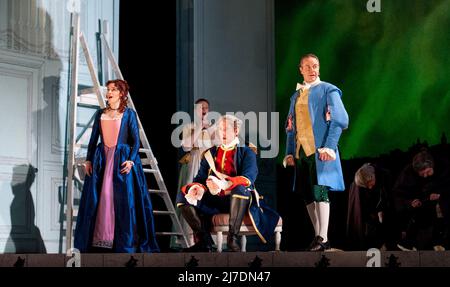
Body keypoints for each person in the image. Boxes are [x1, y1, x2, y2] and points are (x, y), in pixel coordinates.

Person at [74, 79, 159, 253]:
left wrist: (131, 160)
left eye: (113, 89)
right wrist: (89, 159)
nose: (109, 92)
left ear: (121, 93)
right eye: (109, 89)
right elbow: (93, 140)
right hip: (102, 160)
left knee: (121, 201)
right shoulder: (100, 113)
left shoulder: (128, 114)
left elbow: (136, 141)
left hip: (121, 159)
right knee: (102, 198)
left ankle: (123, 241)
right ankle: (102, 239)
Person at [176, 115, 280, 252]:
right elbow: (200, 179)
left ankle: (233, 238)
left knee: (240, 189)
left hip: (239, 201)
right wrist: (198, 188)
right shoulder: (210, 153)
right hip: (215, 200)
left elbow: (248, 178)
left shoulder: (247, 151)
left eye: (225, 129)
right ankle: (204, 241)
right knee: (184, 193)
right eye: (219, 129)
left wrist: (222, 184)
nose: (221, 133)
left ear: (236, 131)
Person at [283, 53, 349, 251]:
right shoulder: (295, 96)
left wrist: (329, 146)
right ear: (301, 69)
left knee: (320, 191)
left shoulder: (329, 90)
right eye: (308, 66)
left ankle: (323, 236)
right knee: (307, 194)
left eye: (316, 66)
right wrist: (288, 152)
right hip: (301, 152)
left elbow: (340, 120)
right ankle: (319, 237)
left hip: (320, 151)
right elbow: (290, 127)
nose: (313, 70)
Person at [171, 99, 216, 249]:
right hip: (194, 163)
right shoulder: (189, 127)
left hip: (208, 164)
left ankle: (210, 239)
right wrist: (199, 128)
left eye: (206, 107)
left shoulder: (213, 128)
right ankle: (190, 240)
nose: (203, 110)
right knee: (190, 199)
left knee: (207, 201)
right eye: (200, 107)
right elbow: (186, 147)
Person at [393, 149, 450, 251]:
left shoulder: (444, 165)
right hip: (423, 210)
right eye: (421, 174)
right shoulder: (408, 173)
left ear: (432, 165)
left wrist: (440, 194)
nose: (425, 176)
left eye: (428, 172)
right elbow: (399, 194)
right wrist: (410, 202)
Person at [347, 163, 396, 250]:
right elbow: (360, 208)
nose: (370, 187)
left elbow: (388, 197)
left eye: (370, 184)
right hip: (368, 214)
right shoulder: (358, 186)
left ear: (373, 177)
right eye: (367, 186)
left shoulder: (385, 176)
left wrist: (381, 209)